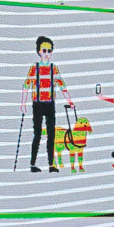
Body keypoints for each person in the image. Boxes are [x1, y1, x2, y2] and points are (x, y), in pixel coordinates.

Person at [21, 36, 74, 174]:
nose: (46, 53)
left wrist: (70, 101)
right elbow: (26, 85)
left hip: (50, 104)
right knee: (37, 134)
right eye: (44, 50)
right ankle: (32, 164)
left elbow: (62, 85)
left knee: (51, 135)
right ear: (39, 51)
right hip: (38, 104)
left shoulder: (53, 68)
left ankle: (51, 164)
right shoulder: (35, 68)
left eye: (49, 51)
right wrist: (23, 103)